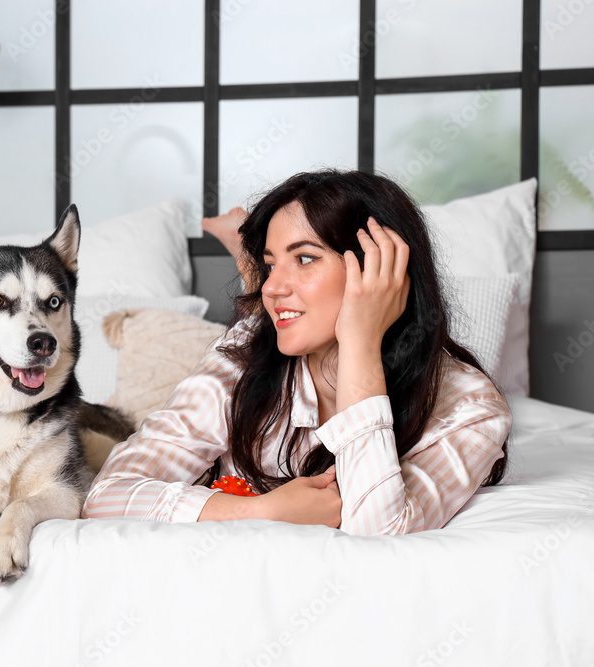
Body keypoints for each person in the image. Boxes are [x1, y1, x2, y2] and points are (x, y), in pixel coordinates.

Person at [82, 169, 512, 535]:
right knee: (257, 314)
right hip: (263, 339)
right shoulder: (243, 354)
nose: (274, 286)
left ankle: (247, 251)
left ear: (383, 272)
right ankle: (247, 252)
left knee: (261, 310)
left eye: (304, 259)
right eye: (270, 264)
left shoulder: (472, 406)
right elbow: (105, 495)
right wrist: (256, 511)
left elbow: (377, 533)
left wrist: (361, 341)